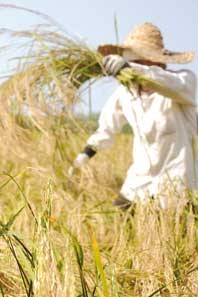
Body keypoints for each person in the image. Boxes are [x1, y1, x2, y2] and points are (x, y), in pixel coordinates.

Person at [69, 23, 197, 210]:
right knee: (122, 215)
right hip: (140, 180)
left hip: (177, 183)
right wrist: (84, 156)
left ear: (159, 62)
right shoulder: (125, 93)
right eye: (137, 63)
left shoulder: (182, 83)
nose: (141, 67)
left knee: (176, 234)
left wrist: (134, 69)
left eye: (145, 63)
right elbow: (106, 129)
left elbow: (165, 82)